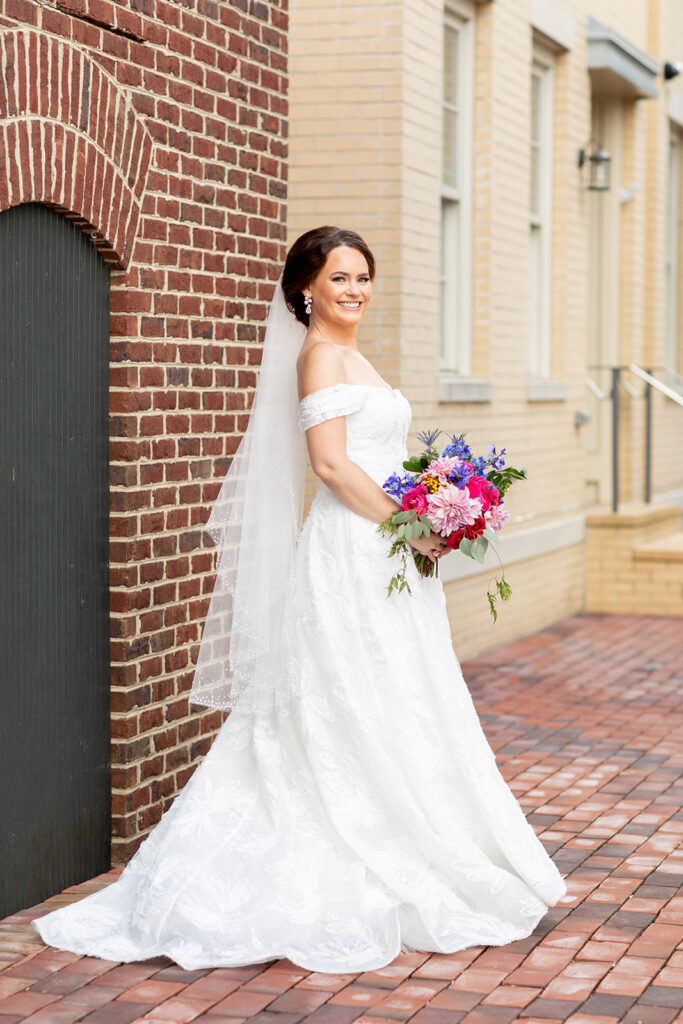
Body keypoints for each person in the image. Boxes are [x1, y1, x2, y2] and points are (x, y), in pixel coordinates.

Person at [33, 226, 566, 973]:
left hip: (384, 547)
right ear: (304, 289)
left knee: (395, 690)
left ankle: (416, 832)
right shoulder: (318, 357)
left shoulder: (352, 354)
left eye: (362, 277)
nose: (353, 291)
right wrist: (415, 527)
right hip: (353, 550)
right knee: (344, 691)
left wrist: (443, 501)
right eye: (338, 278)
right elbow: (331, 467)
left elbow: (375, 457)